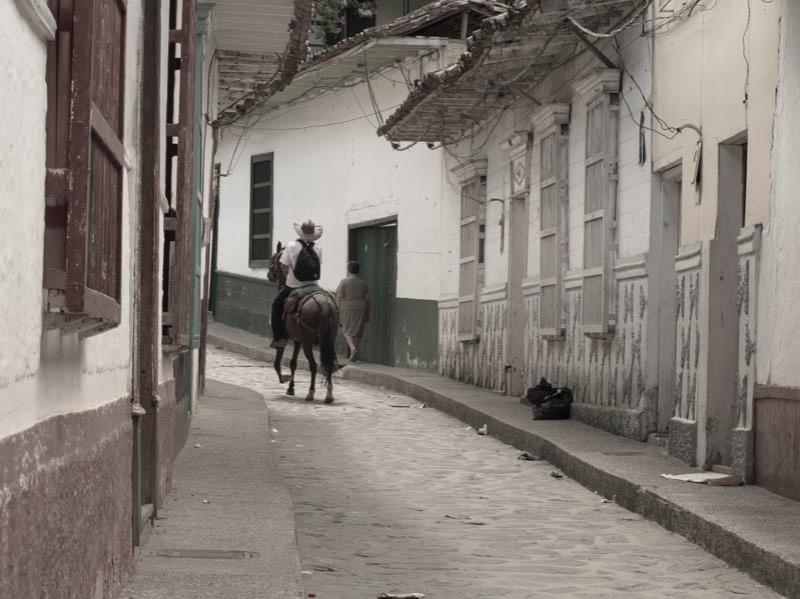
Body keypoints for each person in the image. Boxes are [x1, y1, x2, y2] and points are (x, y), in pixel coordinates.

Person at [270, 220, 323, 349]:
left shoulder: (291, 246)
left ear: (301, 232)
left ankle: (279, 338)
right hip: (313, 286)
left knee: (276, 306)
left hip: (294, 286)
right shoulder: (318, 248)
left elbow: (284, 266)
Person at [336, 261, 370, 362]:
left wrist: (337, 308)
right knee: (356, 331)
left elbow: (339, 296)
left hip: (347, 307)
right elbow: (367, 299)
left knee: (346, 330)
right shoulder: (363, 283)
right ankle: (353, 354)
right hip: (361, 307)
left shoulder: (344, 282)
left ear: (348, 270)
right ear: (358, 270)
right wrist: (368, 312)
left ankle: (352, 348)